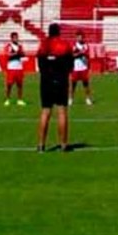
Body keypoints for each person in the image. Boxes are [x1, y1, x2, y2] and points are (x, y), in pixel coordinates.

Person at [36, 23, 73, 152]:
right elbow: (70, 66)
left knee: (45, 111)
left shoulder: (43, 45)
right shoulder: (65, 45)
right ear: (59, 32)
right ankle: (63, 145)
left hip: (46, 81)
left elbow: (40, 64)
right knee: (61, 111)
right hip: (61, 80)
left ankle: (41, 145)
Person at [70, 30, 94, 106]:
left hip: (84, 68)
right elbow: (72, 56)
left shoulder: (86, 45)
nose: (79, 38)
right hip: (75, 68)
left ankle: (88, 99)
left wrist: (89, 67)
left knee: (86, 84)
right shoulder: (73, 45)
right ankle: (70, 99)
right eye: (78, 36)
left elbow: (87, 55)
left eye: (81, 37)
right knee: (73, 84)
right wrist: (80, 53)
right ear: (76, 37)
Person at [3, 32, 27, 106]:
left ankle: (19, 100)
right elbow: (7, 54)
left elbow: (23, 54)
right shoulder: (9, 46)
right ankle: (7, 99)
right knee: (9, 84)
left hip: (19, 67)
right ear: (12, 38)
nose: (16, 39)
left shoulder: (20, 46)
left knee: (20, 84)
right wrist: (16, 53)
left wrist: (22, 54)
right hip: (11, 67)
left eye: (17, 37)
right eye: (14, 37)